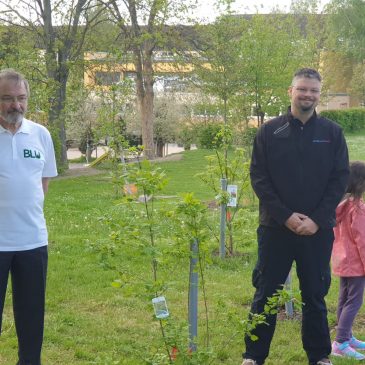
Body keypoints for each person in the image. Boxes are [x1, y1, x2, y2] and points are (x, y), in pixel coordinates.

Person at [242, 68, 350, 365]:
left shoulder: (331, 134)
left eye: (313, 91)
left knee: (314, 294)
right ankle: (253, 356)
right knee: (266, 293)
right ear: (290, 91)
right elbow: (259, 178)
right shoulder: (269, 132)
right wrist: (286, 216)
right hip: (275, 228)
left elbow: (339, 180)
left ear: (319, 95)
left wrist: (317, 219)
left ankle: (319, 356)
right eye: (302, 89)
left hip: (317, 230)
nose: (308, 95)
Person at [0, 69, 57, 365]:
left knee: (32, 318)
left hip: (32, 242)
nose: (15, 105)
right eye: (7, 98)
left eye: (21, 98)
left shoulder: (40, 135)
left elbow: (43, 184)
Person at [331, 161, 365, 360]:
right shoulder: (358, 209)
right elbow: (363, 241)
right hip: (356, 264)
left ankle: (346, 336)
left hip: (341, 261)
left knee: (344, 299)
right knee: (353, 302)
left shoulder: (341, 205)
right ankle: (341, 342)